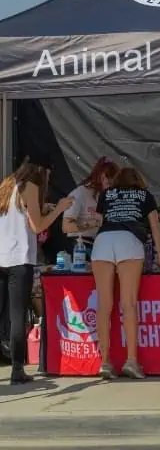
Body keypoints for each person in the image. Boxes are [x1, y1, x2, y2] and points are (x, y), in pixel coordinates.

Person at [0, 156, 73, 384]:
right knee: (17, 315)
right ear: (41, 170)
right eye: (48, 175)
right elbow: (37, 226)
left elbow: (20, 215)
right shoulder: (30, 185)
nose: (47, 180)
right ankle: (17, 370)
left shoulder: (7, 186)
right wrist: (59, 209)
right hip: (18, 259)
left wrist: (43, 208)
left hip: (1, 257)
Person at [92, 167, 160, 380]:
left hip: (103, 241)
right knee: (129, 304)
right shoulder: (145, 195)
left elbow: (97, 222)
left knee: (104, 306)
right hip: (130, 241)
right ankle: (131, 360)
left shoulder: (107, 194)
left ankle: (105, 362)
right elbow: (156, 226)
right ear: (138, 181)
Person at [62, 157, 120, 255]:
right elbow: (66, 226)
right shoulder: (80, 193)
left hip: (102, 245)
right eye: (108, 183)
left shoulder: (111, 195)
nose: (110, 187)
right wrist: (94, 223)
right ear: (99, 178)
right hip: (80, 246)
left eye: (114, 184)